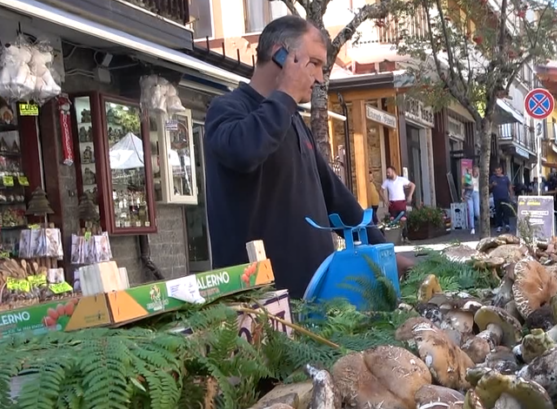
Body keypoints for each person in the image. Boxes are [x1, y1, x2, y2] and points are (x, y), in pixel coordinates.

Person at [204, 16, 413, 300]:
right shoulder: (227, 109)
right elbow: (245, 151)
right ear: (280, 55)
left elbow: (334, 196)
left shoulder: (292, 120)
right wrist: (285, 93)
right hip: (260, 304)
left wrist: (382, 253)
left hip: (315, 297)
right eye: (313, 63)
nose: (319, 78)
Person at [490, 166, 514, 233]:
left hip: (505, 197)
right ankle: (499, 226)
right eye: (496, 171)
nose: (497, 172)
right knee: (498, 212)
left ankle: (507, 225)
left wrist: (511, 195)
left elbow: (509, 186)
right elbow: (489, 187)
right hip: (496, 197)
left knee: (506, 211)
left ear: (501, 171)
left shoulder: (505, 178)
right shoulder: (493, 178)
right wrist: (492, 185)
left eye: (498, 171)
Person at [464, 166, 480, 235]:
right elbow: (464, 186)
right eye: (475, 171)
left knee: (477, 212)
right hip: (469, 194)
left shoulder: (479, 178)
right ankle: (472, 228)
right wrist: (468, 187)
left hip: (476, 193)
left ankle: (480, 223)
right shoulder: (468, 177)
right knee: (471, 212)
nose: (476, 173)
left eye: (477, 171)